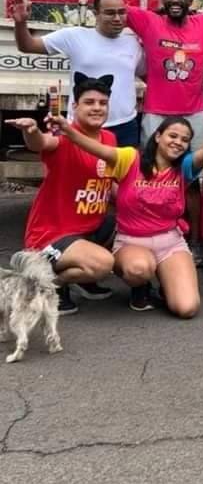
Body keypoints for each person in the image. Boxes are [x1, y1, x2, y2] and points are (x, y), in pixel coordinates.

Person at [70, 0, 203, 267]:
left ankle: (193, 242)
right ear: (161, 0)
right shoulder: (147, 22)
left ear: (190, 1)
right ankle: (141, 237)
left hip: (194, 115)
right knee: (147, 178)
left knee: (192, 181)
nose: (174, 0)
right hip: (157, 116)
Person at [51, 98, 203, 316]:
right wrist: (68, 131)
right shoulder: (131, 159)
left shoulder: (185, 168)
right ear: (158, 136)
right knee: (140, 269)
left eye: (185, 140)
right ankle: (141, 286)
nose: (178, 142)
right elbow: (98, 149)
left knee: (187, 308)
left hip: (170, 242)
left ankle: (166, 284)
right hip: (131, 242)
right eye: (173, 136)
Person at [8, 73, 117, 315]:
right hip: (52, 234)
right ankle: (39, 283)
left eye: (103, 103)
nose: (97, 108)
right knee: (104, 264)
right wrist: (31, 131)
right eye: (89, 102)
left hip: (89, 227)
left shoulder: (109, 138)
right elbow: (41, 144)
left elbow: (109, 182)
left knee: (125, 226)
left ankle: (82, 279)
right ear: (75, 106)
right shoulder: (64, 136)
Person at [12, 0, 143, 148]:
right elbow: (28, 46)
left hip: (125, 126)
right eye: (110, 13)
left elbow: (147, 75)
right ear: (96, 14)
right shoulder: (74, 36)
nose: (117, 18)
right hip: (82, 127)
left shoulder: (133, 43)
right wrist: (20, 24)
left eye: (121, 12)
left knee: (124, 173)